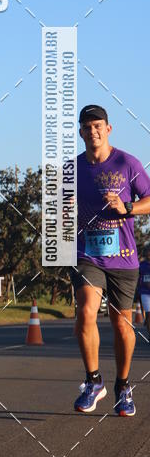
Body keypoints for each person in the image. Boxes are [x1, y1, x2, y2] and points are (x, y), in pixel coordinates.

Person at [72, 104, 150, 416]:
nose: (93, 131)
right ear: (80, 132)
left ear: (108, 129)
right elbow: (57, 214)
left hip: (124, 257)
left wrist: (127, 208)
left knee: (122, 325)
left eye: (98, 126)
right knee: (86, 312)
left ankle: (123, 385)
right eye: (87, 127)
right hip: (87, 255)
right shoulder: (71, 169)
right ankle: (93, 381)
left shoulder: (127, 163)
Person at [135, 245, 150, 338]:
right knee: (149, 314)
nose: (149, 253)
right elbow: (137, 278)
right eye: (148, 251)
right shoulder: (141, 265)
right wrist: (137, 290)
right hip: (145, 292)